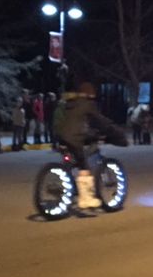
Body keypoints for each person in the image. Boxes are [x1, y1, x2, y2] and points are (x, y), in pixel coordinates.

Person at [55, 80, 128, 208]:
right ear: (90, 94)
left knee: (71, 161)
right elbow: (101, 121)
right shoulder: (88, 104)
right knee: (84, 166)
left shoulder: (70, 104)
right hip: (74, 138)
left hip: (61, 136)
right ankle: (86, 199)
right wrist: (116, 133)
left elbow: (76, 121)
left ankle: (68, 185)